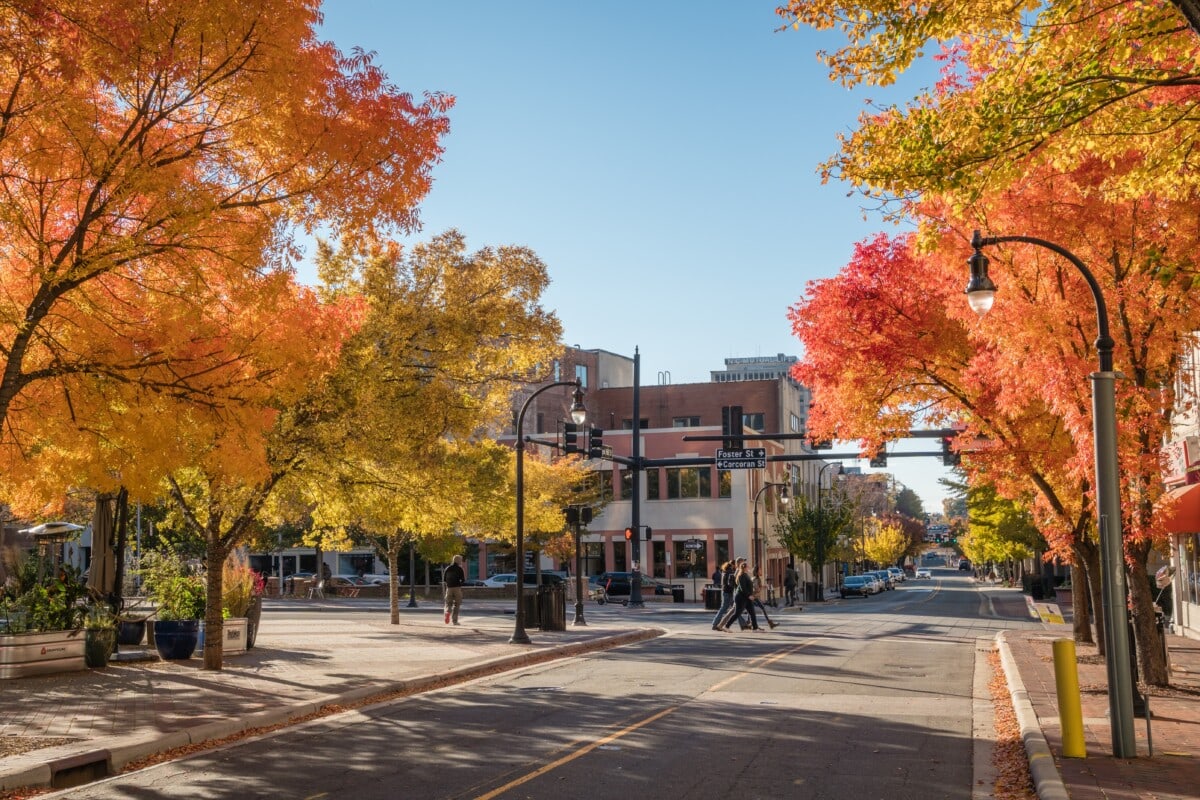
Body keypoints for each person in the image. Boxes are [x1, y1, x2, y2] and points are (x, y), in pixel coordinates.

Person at [719, 562, 760, 631]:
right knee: (737, 613)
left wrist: (750, 594)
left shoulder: (746, 575)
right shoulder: (741, 576)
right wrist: (749, 595)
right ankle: (726, 626)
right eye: (748, 566)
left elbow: (748, 587)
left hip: (746, 598)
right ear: (744, 568)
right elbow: (742, 587)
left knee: (752, 612)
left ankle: (755, 628)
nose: (749, 568)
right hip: (741, 598)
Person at [711, 561, 738, 631]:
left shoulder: (724, 572)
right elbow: (731, 583)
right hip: (729, 592)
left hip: (725, 591)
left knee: (734, 608)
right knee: (731, 608)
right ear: (731, 566)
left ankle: (715, 624)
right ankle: (715, 624)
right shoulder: (730, 572)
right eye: (733, 565)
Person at [442, 555, 466, 625]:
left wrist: (449, 584)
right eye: (460, 560)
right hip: (457, 588)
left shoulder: (447, 568)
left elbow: (444, 579)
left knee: (448, 603)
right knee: (457, 604)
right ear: (458, 561)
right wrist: (459, 584)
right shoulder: (460, 569)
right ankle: (454, 621)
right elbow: (463, 580)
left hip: (449, 588)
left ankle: (447, 612)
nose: (461, 561)